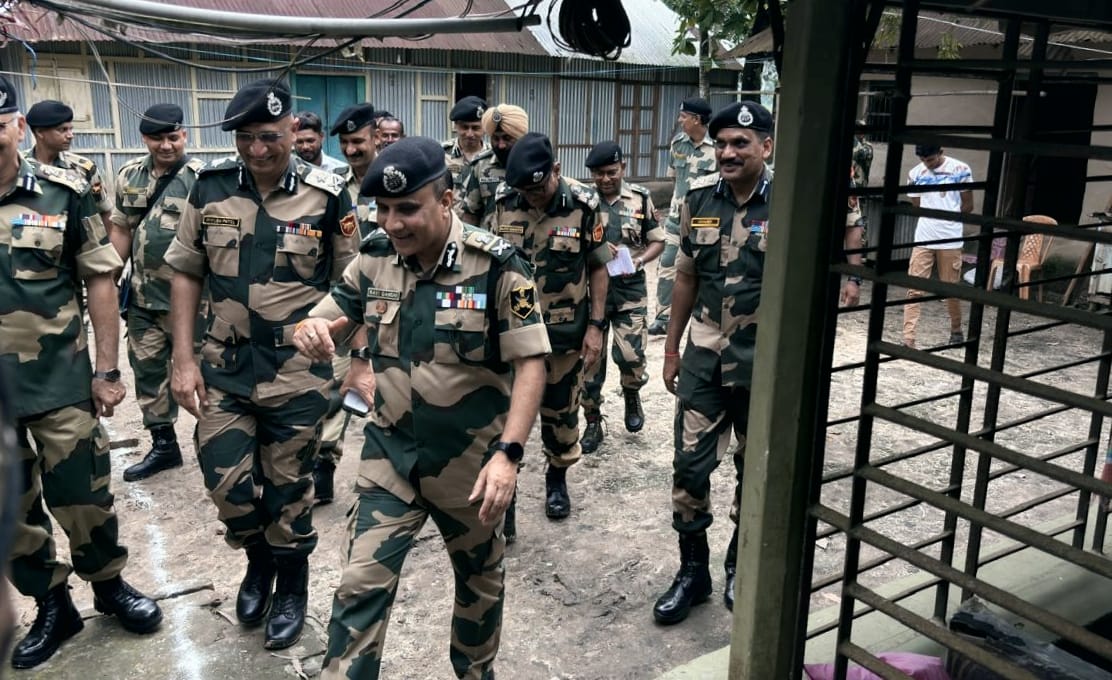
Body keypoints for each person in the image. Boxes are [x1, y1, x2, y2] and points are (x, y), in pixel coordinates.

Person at [295, 136, 549, 680]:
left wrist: (509, 454)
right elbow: (330, 311)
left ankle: (474, 673)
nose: (393, 223)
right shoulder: (375, 257)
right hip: (391, 454)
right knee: (359, 584)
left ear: (448, 200)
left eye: (407, 208)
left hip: (470, 464)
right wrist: (312, 327)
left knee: (479, 582)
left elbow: (531, 364)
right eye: (383, 209)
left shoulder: (497, 267)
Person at [165, 79, 359, 650]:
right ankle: (257, 562)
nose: (257, 150)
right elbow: (186, 273)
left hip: (298, 373)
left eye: (269, 137)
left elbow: (357, 281)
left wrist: (344, 342)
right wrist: (182, 360)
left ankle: (292, 585)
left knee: (289, 488)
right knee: (225, 483)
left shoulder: (328, 195)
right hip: (223, 368)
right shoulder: (211, 188)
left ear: (293, 127)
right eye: (246, 138)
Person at [0, 75, 163, 669]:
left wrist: (106, 369)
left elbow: (99, 279)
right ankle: (51, 604)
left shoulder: (61, 191)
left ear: (17, 126)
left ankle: (108, 584)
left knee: (84, 495)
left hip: (60, 379)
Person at [653, 101, 774, 625]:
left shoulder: (790, 202)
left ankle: (738, 567)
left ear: (766, 146)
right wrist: (672, 346)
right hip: (703, 357)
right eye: (721, 143)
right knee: (689, 469)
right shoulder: (699, 197)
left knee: (758, 473)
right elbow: (685, 276)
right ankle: (693, 572)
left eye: (740, 144)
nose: (727, 152)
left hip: (766, 365)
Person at [491, 132, 609, 533]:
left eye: (539, 188)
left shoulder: (583, 205)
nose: (533, 197)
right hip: (513, 336)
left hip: (564, 335)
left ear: (556, 170)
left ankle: (557, 479)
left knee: (561, 414)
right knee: (506, 417)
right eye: (525, 190)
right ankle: (505, 497)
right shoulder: (504, 203)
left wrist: (595, 326)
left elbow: (597, 266)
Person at [107, 103, 207, 482]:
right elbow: (121, 229)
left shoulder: (204, 179)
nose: (166, 145)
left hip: (195, 304)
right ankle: (165, 446)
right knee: (148, 372)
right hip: (143, 299)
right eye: (157, 138)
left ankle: (214, 442)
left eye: (173, 137)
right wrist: (109, 280)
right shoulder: (130, 175)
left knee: (203, 374)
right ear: (144, 138)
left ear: (184, 135)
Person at [579, 141, 665, 454]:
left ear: (623, 168)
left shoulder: (640, 198)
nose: (605, 179)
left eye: (611, 172)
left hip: (630, 293)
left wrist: (639, 260)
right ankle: (592, 420)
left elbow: (658, 240)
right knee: (589, 366)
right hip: (590, 298)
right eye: (598, 174)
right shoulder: (584, 203)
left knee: (631, 356)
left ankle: (631, 395)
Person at [649, 97, 716, 336]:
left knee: (702, 268)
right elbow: (674, 179)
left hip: (705, 222)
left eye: (683, 117)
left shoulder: (717, 148)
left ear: (697, 120)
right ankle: (662, 317)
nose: (679, 121)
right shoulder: (678, 144)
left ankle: (702, 317)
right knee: (667, 264)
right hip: (677, 219)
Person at [903, 144, 973, 348]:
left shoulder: (960, 169)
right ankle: (909, 337)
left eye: (931, 160)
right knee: (914, 288)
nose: (927, 164)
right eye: (924, 160)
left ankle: (956, 329)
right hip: (924, 237)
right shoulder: (915, 173)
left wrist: (950, 221)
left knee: (950, 288)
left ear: (940, 153)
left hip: (949, 238)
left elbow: (968, 205)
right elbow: (916, 205)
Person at [24, 99, 113, 230]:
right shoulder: (18, 165)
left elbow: (104, 211)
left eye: (71, 129)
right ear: (39, 132)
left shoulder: (84, 168)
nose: (70, 135)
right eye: (63, 130)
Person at [457, 103, 528, 230]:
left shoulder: (535, 163)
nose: (501, 145)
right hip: (490, 245)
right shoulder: (481, 165)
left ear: (520, 137)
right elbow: (470, 216)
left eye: (507, 138)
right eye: (496, 138)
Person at [330, 103, 378, 233]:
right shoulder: (333, 182)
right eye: (344, 142)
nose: (350, 150)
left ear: (377, 138)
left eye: (357, 141)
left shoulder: (392, 180)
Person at [443, 95, 489, 195]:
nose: (469, 134)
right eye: (464, 127)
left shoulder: (493, 156)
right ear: (455, 126)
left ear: (485, 128)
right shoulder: (441, 154)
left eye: (475, 128)